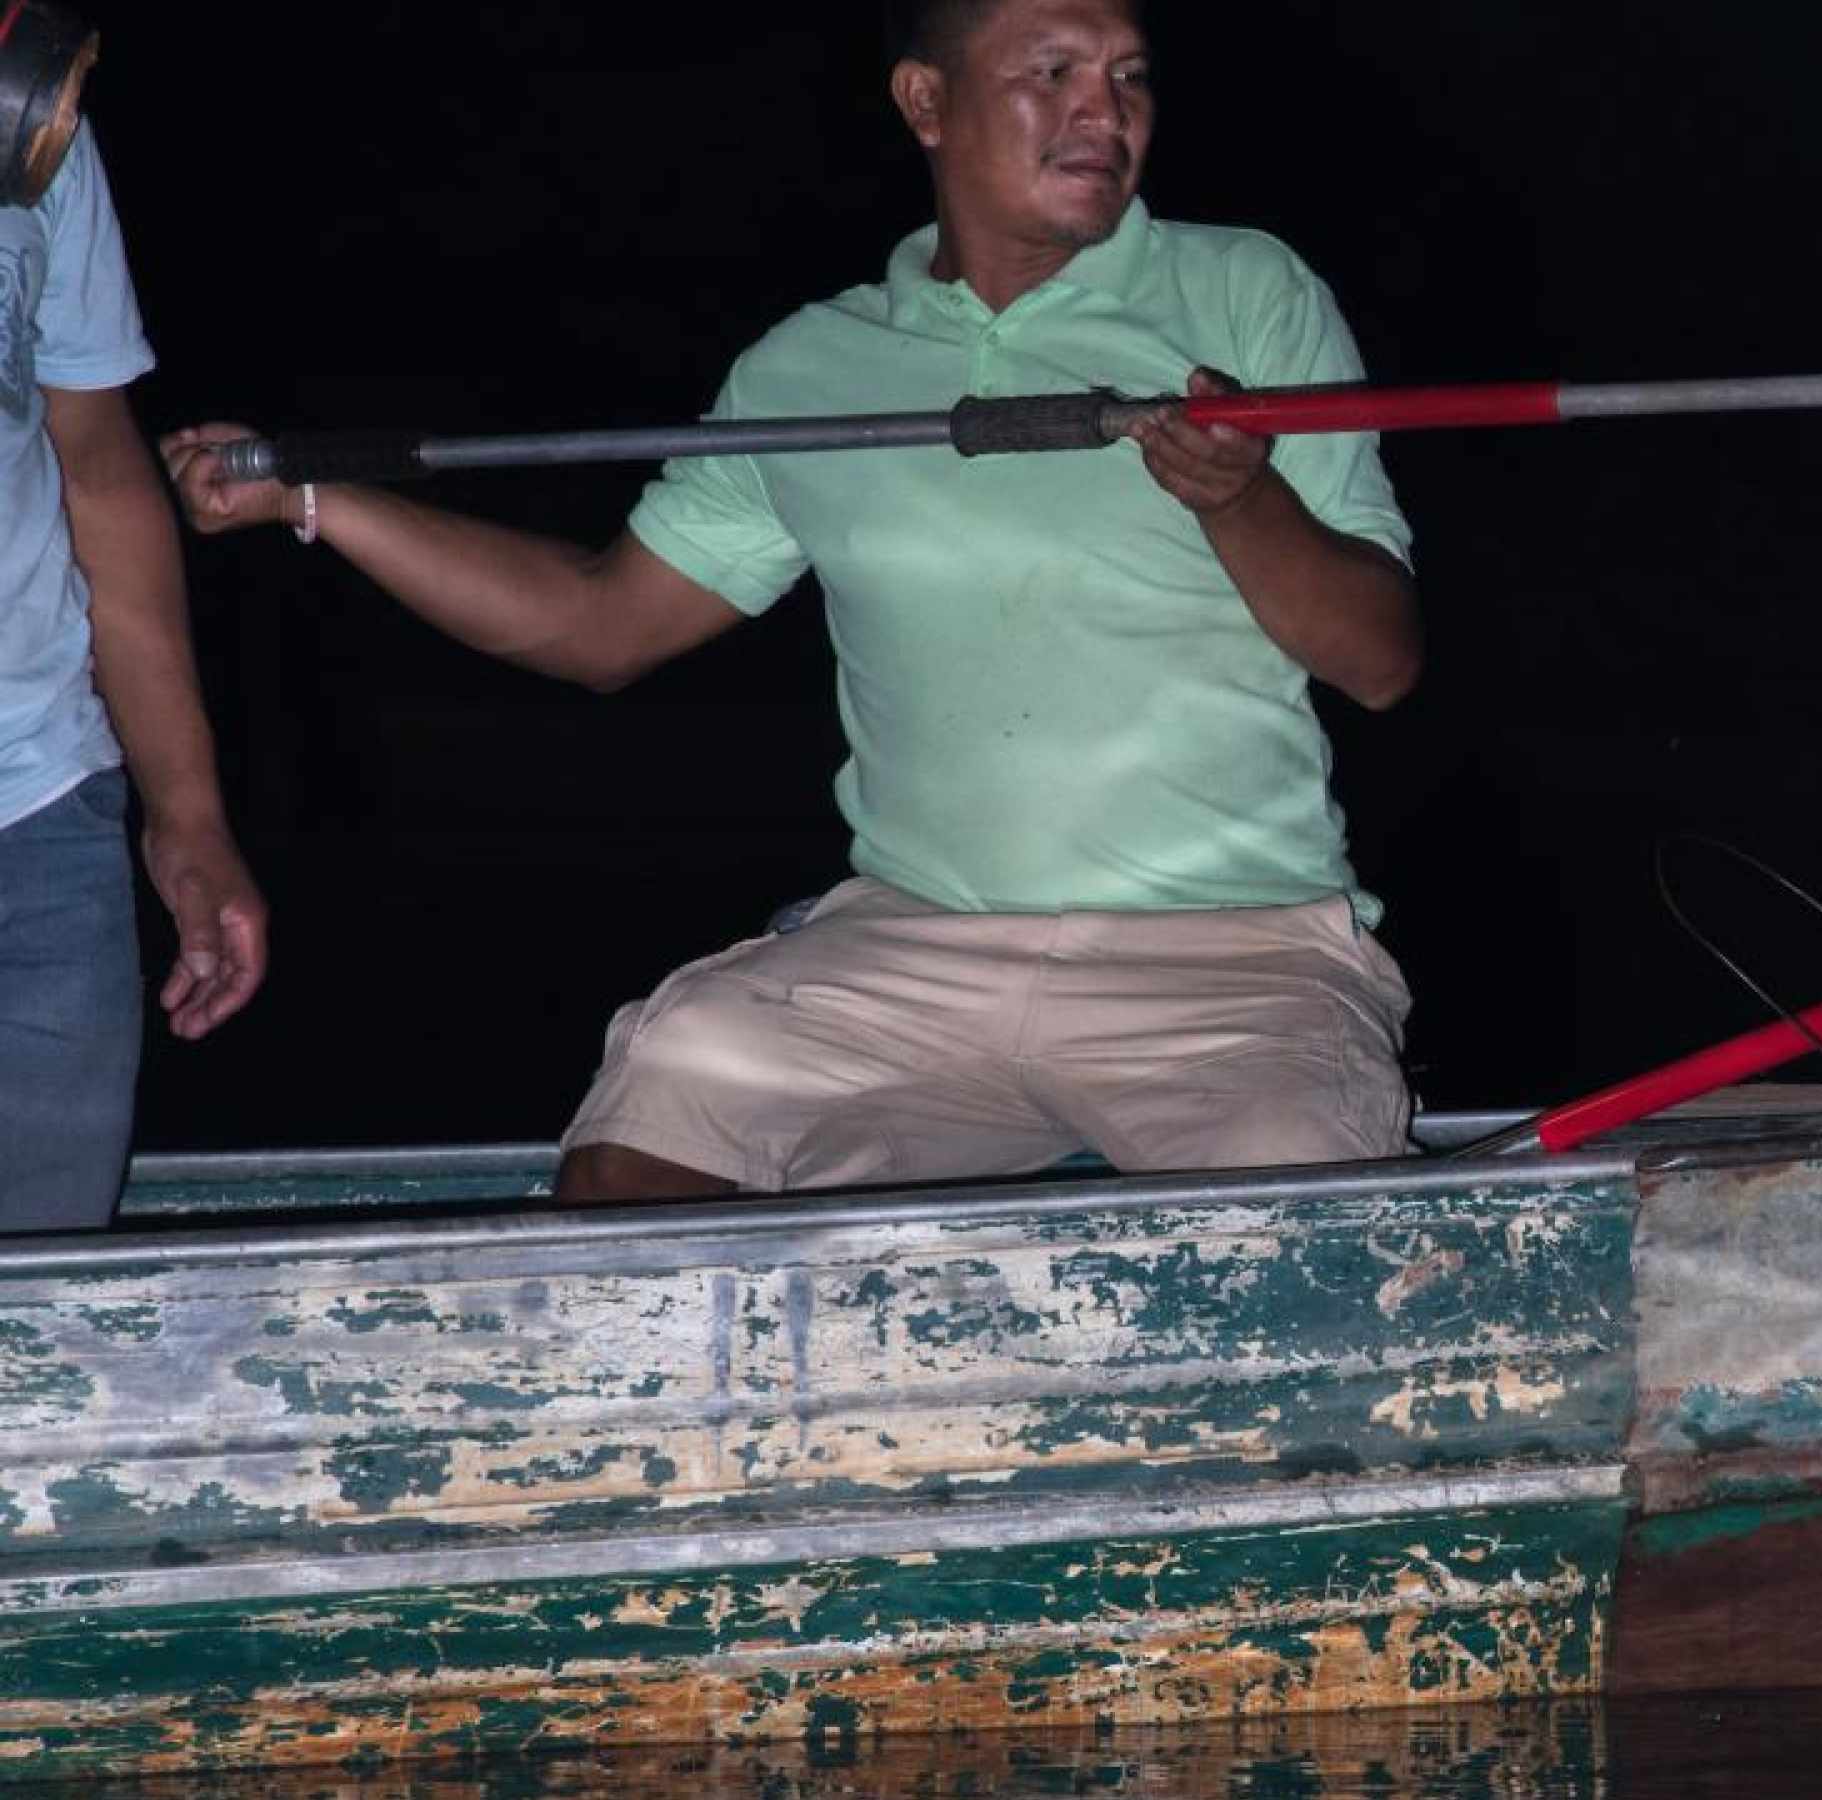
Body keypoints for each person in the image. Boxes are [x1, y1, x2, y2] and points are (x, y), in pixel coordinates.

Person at [161, 0, 1418, 1203]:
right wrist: (315, 502)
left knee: (1299, 1213)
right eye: (1051, 72)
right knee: (654, 1125)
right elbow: (601, 624)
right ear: (925, 101)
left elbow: (1378, 659)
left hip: (1232, 961)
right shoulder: (813, 369)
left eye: (1129, 76)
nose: (1104, 109)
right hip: (915, 951)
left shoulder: (1249, 294)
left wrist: (1236, 498)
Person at [0, 109, 269, 1234]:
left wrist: (188, 814)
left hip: (40, 828)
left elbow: (98, 465)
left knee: (41, 1352)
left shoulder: (26, 107)